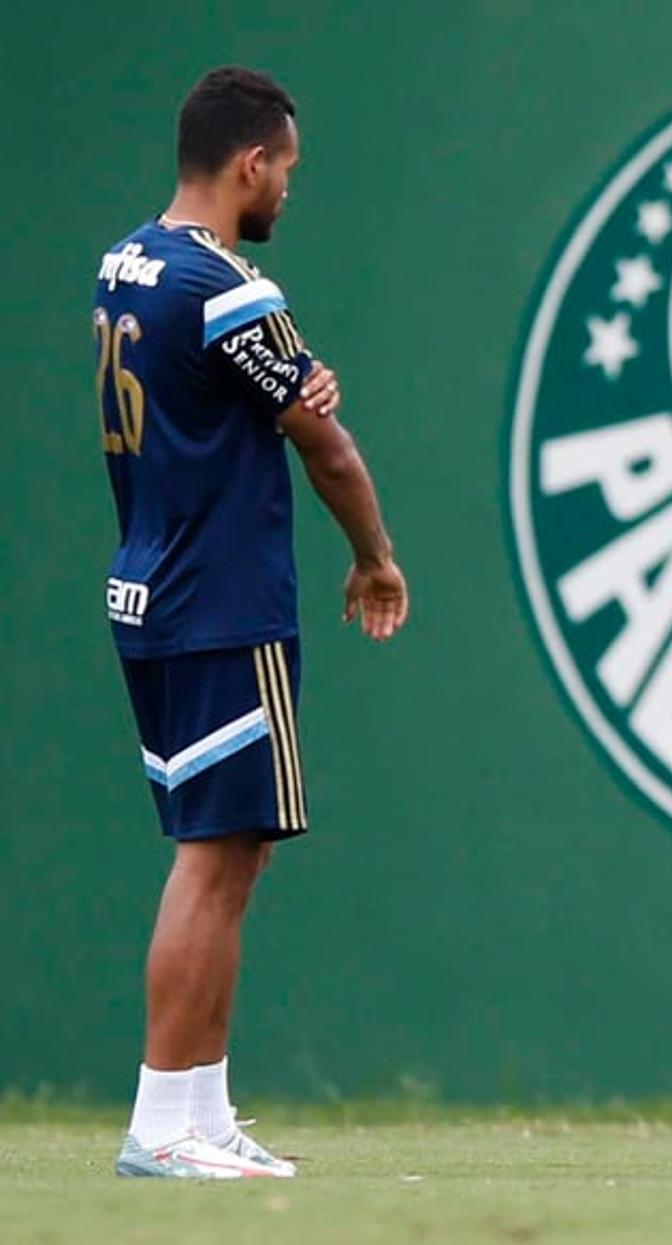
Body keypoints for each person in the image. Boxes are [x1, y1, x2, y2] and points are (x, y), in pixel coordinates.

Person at [97, 66, 409, 1178]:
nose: (287, 189)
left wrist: (289, 377)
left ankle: (201, 1109)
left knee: (228, 854)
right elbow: (324, 442)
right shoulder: (226, 289)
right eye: (286, 168)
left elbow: (222, 395)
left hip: (150, 583)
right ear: (250, 164)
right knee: (215, 858)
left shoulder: (128, 264)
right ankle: (163, 1125)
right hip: (221, 603)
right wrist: (374, 558)